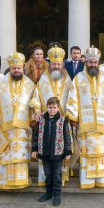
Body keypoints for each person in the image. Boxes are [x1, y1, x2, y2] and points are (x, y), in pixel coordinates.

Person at [0, 53, 35, 189]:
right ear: (10, 68)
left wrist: (33, 119)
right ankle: (2, 183)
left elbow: (34, 102)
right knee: (3, 154)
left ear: (23, 68)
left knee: (19, 155)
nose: (17, 71)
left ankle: (20, 181)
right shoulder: (0, 84)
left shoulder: (30, 85)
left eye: (19, 68)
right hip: (4, 126)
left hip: (23, 128)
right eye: (14, 68)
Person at [66, 46, 104, 189]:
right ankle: (87, 181)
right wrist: (73, 116)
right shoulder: (79, 78)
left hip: (101, 122)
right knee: (86, 152)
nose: (93, 65)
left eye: (95, 62)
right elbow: (72, 97)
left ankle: (100, 180)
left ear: (98, 63)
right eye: (90, 62)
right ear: (86, 63)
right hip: (85, 123)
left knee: (100, 152)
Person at [30, 46, 73, 187]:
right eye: (54, 64)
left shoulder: (67, 79)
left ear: (62, 65)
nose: (56, 66)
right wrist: (37, 111)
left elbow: (73, 98)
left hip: (62, 120)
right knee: (47, 150)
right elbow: (36, 96)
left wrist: (72, 115)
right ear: (50, 64)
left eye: (59, 64)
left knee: (61, 148)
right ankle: (46, 181)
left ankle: (60, 180)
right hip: (46, 121)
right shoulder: (43, 79)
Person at [31, 97, 72, 206]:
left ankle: (57, 195)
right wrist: (34, 149)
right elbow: (35, 136)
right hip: (44, 152)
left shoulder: (62, 120)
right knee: (48, 174)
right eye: (50, 107)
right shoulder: (41, 120)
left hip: (57, 153)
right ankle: (48, 193)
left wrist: (68, 151)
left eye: (54, 107)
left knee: (57, 175)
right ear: (46, 107)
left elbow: (67, 137)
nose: (52, 109)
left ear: (58, 108)